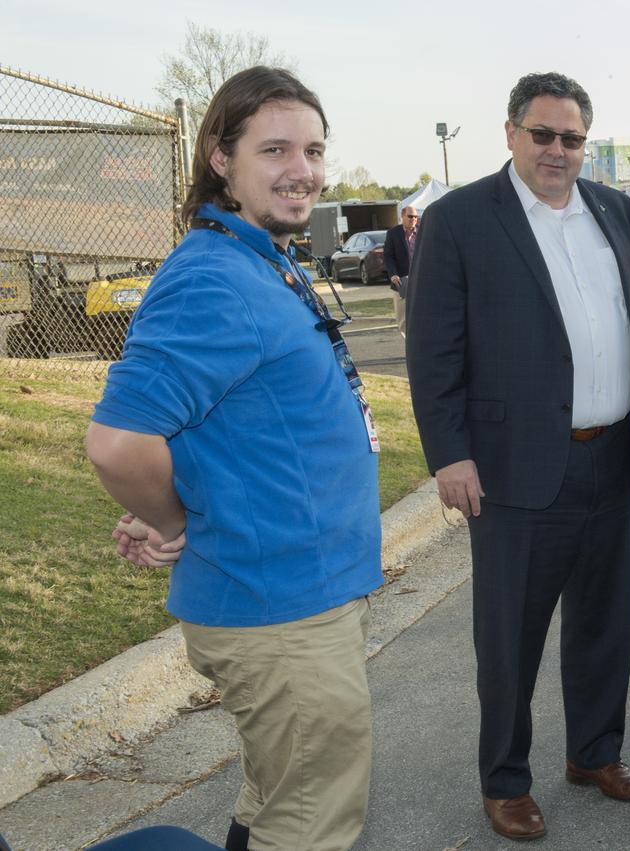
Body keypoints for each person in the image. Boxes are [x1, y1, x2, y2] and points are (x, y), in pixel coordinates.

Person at [85, 67, 382, 851]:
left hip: (298, 596)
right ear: (221, 157)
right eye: (275, 148)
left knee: (277, 800)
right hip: (280, 610)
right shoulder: (213, 279)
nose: (304, 171)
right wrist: (169, 517)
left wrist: (179, 501)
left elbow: (217, 424)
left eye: (314, 150)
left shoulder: (258, 255)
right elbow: (119, 440)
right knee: (310, 820)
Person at [406, 71, 630, 842]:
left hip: (607, 456)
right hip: (512, 468)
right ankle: (505, 779)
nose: (557, 150)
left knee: (604, 621)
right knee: (510, 635)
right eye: (543, 134)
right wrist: (449, 455)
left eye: (571, 138)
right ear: (510, 134)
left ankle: (595, 753)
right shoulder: (459, 219)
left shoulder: (611, 209)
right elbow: (432, 351)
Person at [385, 204, 417, 337]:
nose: (413, 219)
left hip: (419, 280)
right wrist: (393, 274)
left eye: (415, 216)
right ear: (402, 217)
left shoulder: (422, 232)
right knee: (403, 319)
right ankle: (409, 348)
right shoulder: (393, 233)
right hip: (401, 281)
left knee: (420, 316)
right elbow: (388, 256)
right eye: (410, 216)